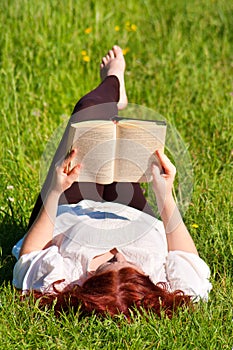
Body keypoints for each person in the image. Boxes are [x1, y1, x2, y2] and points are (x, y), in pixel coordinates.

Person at [12, 45, 211, 319]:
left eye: (110, 263)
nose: (117, 255)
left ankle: (113, 81)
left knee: (86, 114)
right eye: (127, 264)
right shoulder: (181, 289)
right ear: (148, 285)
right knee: (118, 138)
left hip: (68, 205)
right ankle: (115, 106)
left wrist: (56, 189)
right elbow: (187, 257)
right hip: (134, 213)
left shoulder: (58, 282)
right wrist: (165, 196)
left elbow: (29, 254)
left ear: (88, 282)